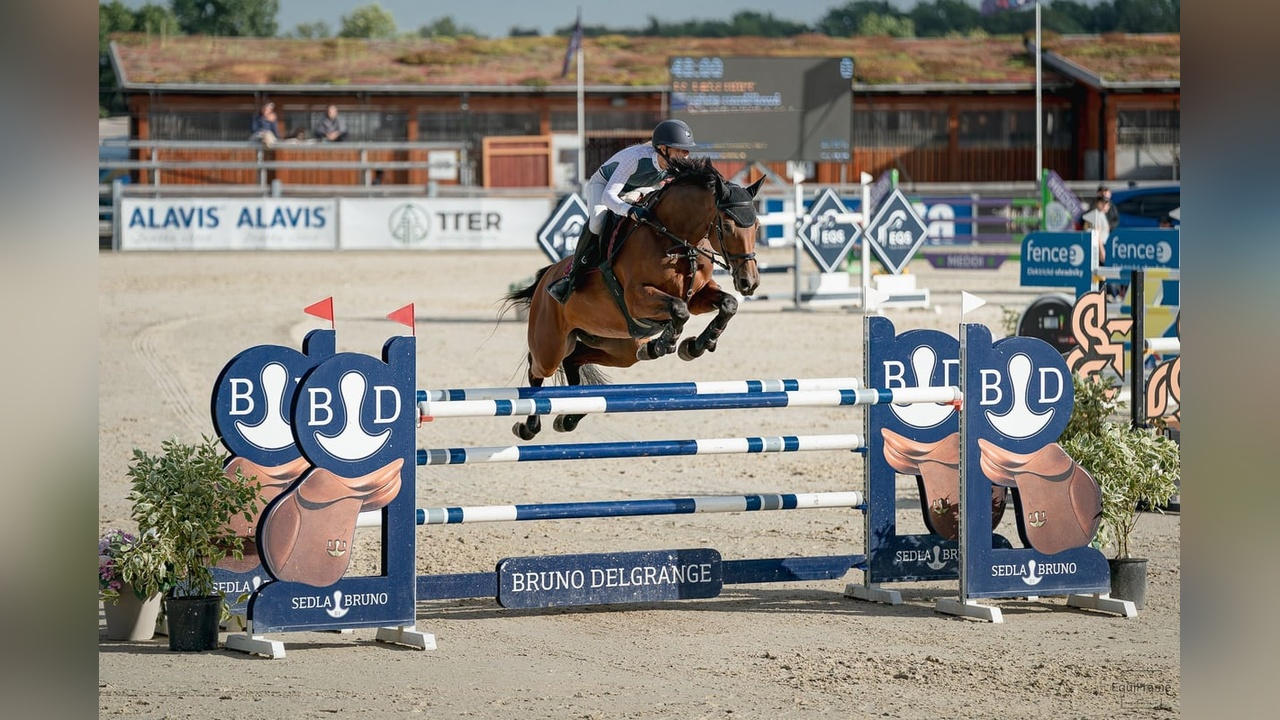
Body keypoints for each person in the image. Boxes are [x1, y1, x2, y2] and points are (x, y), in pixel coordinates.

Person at [547, 119, 698, 304]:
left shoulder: (675, 164)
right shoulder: (635, 158)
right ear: (663, 149)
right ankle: (572, 275)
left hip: (640, 188)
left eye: (687, 151)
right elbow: (609, 196)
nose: (685, 156)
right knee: (597, 223)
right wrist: (630, 210)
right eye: (680, 150)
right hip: (604, 186)